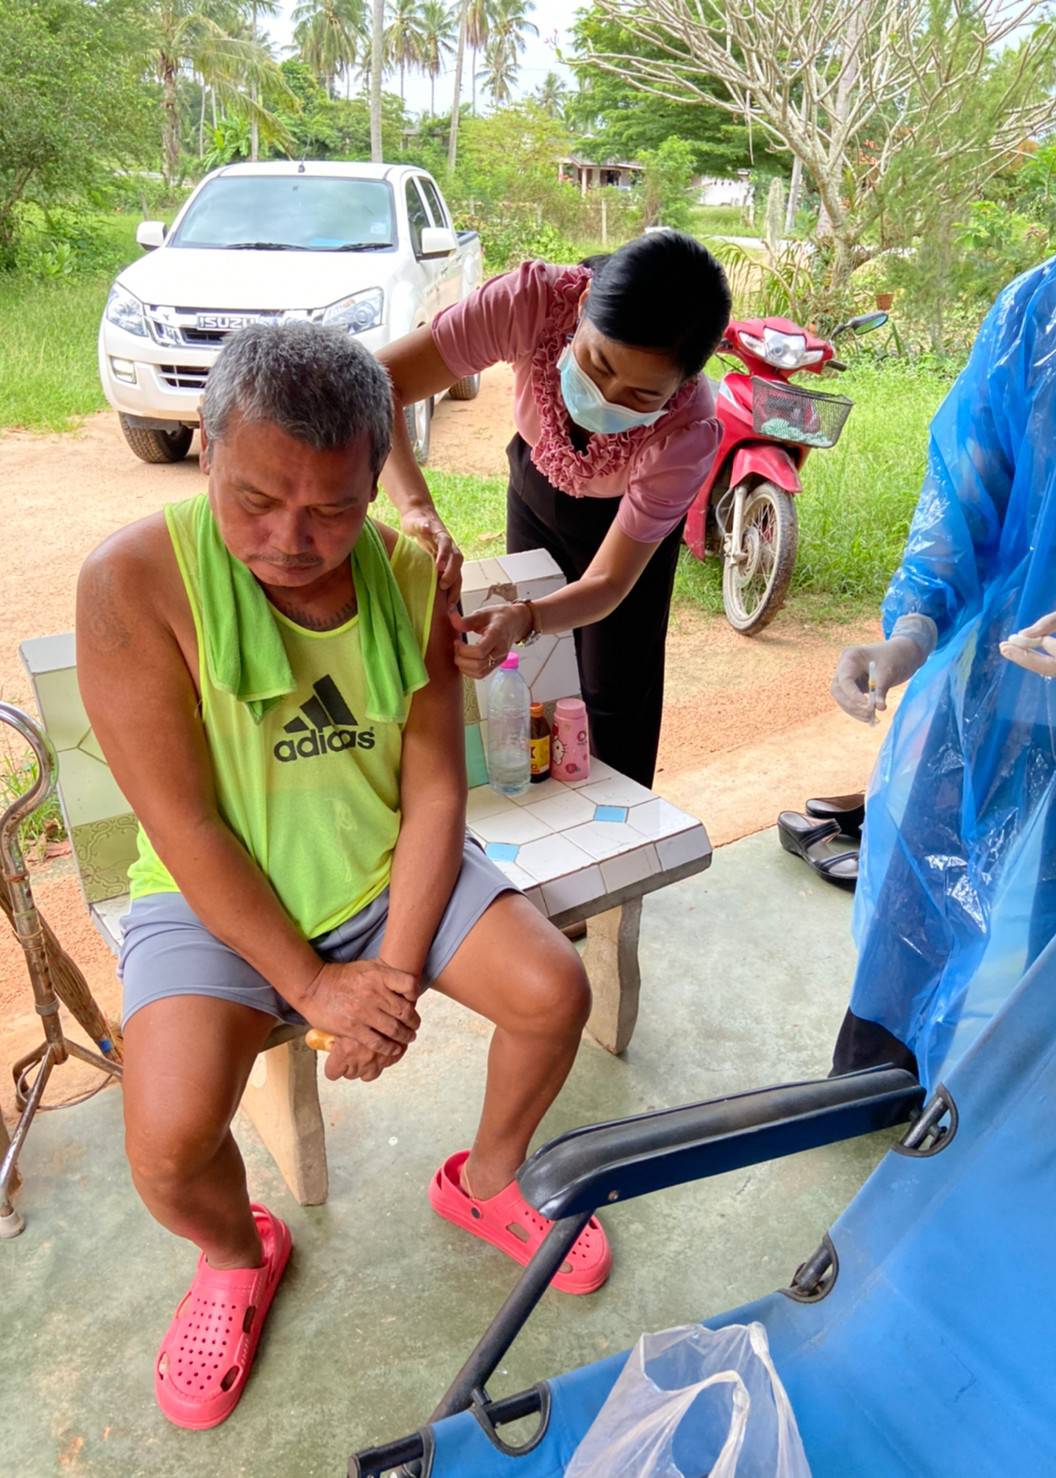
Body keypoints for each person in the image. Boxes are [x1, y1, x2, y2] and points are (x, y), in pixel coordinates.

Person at [76, 322, 609, 1431]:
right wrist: (316, 988)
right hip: (209, 901)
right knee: (166, 1144)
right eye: (257, 498)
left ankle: (488, 1176)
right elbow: (180, 823)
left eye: (333, 506)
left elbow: (433, 795)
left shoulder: (410, 572)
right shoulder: (130, 580)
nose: (294, 537)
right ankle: (235, 1253)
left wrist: (392, 976)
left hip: (381, 872)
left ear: (381, 476)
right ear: (208, 448)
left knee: (554, 988)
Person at [828, 48, 1056, 1088]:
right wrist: (906, 635)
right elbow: (963, 499)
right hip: (998, 676)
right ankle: (876, 1084)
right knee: (923, 893)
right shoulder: (1038, 315)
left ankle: (1019, 1115)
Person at [378, 230, 731, 785]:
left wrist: (527, 616)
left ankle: (616, 836)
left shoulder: (688, 431)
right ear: (584, 306)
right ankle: (538, 795)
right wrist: (415, 506)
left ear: (683, 384)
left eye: (641, 396)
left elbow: (611, 582)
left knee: (616, 695)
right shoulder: (531, 303)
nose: (607, 397)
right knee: (537, 679)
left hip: (624, 532)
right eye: (597, 363)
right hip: (536, 491)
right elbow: (379, 382)